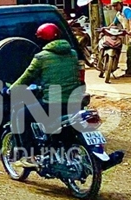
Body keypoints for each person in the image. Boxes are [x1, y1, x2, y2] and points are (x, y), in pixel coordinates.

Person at [9, 23, 82, 167]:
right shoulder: (72, 53)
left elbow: (27, 77)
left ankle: (29, 156)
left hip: (53, 104)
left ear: (42, 39)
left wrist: (12, 89)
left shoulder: (42, 57)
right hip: (74, 102)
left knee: (20, 114)